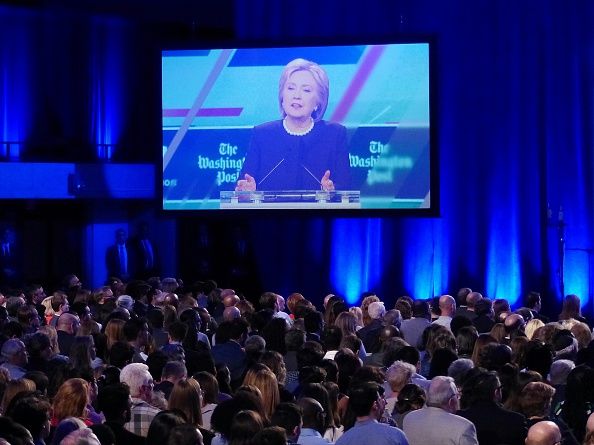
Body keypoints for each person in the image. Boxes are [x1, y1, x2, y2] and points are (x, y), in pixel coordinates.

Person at [236, 58, 350, 192]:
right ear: (282, 96)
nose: (296, 95)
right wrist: (247, 190)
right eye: (290, 88)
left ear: (318, 102)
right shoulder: (262, 134)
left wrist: (332, 191)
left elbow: (346, 187)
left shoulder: (334, 134)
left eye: (306, 90)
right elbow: (243, 184)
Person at [402, 376, 477, 445]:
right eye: (457, 396)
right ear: (450, 401)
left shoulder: (410, 417)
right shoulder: (464, 427)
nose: (458, 399)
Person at [335, 382, 409, 445]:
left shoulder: (342, 440)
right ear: (375, 404)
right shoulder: (395, 435)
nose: (385, 402)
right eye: (381, 399)